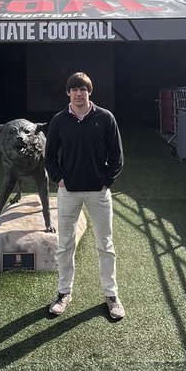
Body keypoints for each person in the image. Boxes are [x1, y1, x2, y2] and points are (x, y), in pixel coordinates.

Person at [44, 71, 125, 320]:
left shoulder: (105, 118)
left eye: (83, 89)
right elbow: (50, 157)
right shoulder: (58, 120)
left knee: (106, 245)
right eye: (74, 89)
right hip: (68, 193)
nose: (79, 94)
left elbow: (117, 156)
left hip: (98, 193)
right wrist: (60, 179)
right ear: (68, 93)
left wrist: (106, 182)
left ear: (90, 92)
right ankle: (63, 293)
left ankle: (111, 295)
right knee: (64, 244)